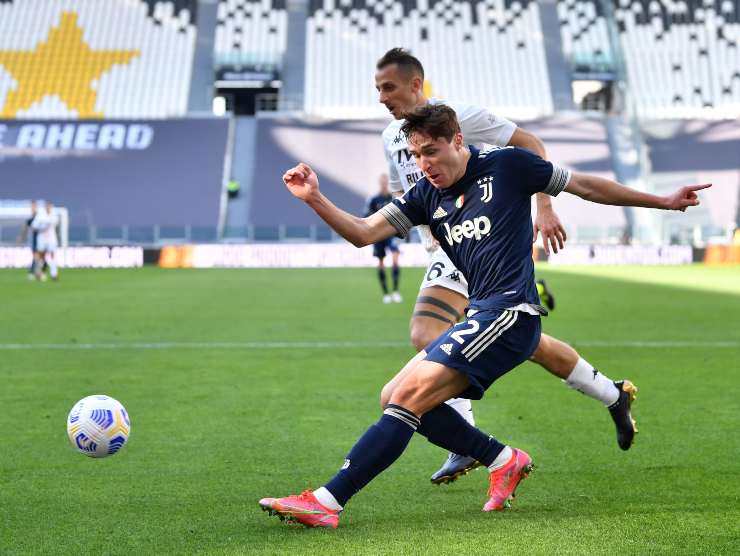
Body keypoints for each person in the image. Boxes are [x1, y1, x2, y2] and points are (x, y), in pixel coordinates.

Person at [259, 104, 709, 528]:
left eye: (431, 152)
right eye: (416, 155)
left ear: (457, 141)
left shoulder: (509, 165)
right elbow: (362, 233)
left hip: (512, 312)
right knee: (392, 395)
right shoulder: (423, 195)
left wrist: (664, 202)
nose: (424, 164)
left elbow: (586, 186)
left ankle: (327, 502)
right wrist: (314, 198)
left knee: (408, 397)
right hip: (483, 314)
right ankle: (502, 459)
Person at [374, 48, 633, 483]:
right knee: (525, 342)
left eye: (388, 87)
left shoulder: (462, 118)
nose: (381, 97)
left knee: (425, 332)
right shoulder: (389, 137)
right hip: (445, 249)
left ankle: (466, 444)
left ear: (415, 84)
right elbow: (405, 192)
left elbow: (529, 145)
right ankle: (613, 394)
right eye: (377, 88)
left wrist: (544, 207)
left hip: (482, 237)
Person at [365, 174, 402, 303]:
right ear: (380, 183)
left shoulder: (393, 199)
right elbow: (366, 216)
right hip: (377, 235)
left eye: (386, 181)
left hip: (390, 233)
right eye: (382, 181)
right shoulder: (374, 199)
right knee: (381, 263)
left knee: (396, 257)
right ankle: (386, 293)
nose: (384, 183)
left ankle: (396, 291)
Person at [31, 201, 60, 281]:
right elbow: (34, 225)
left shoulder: (54, 214)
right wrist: (42, 226)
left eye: (50, 206)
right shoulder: (40, 215)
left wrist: (45, 222)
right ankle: (38, 273)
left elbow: (55, 222)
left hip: (51, 239)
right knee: (41, 256)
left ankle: (54, 274)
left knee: (52, 255)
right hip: (42, 238)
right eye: (47, 206)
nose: (48, 208)